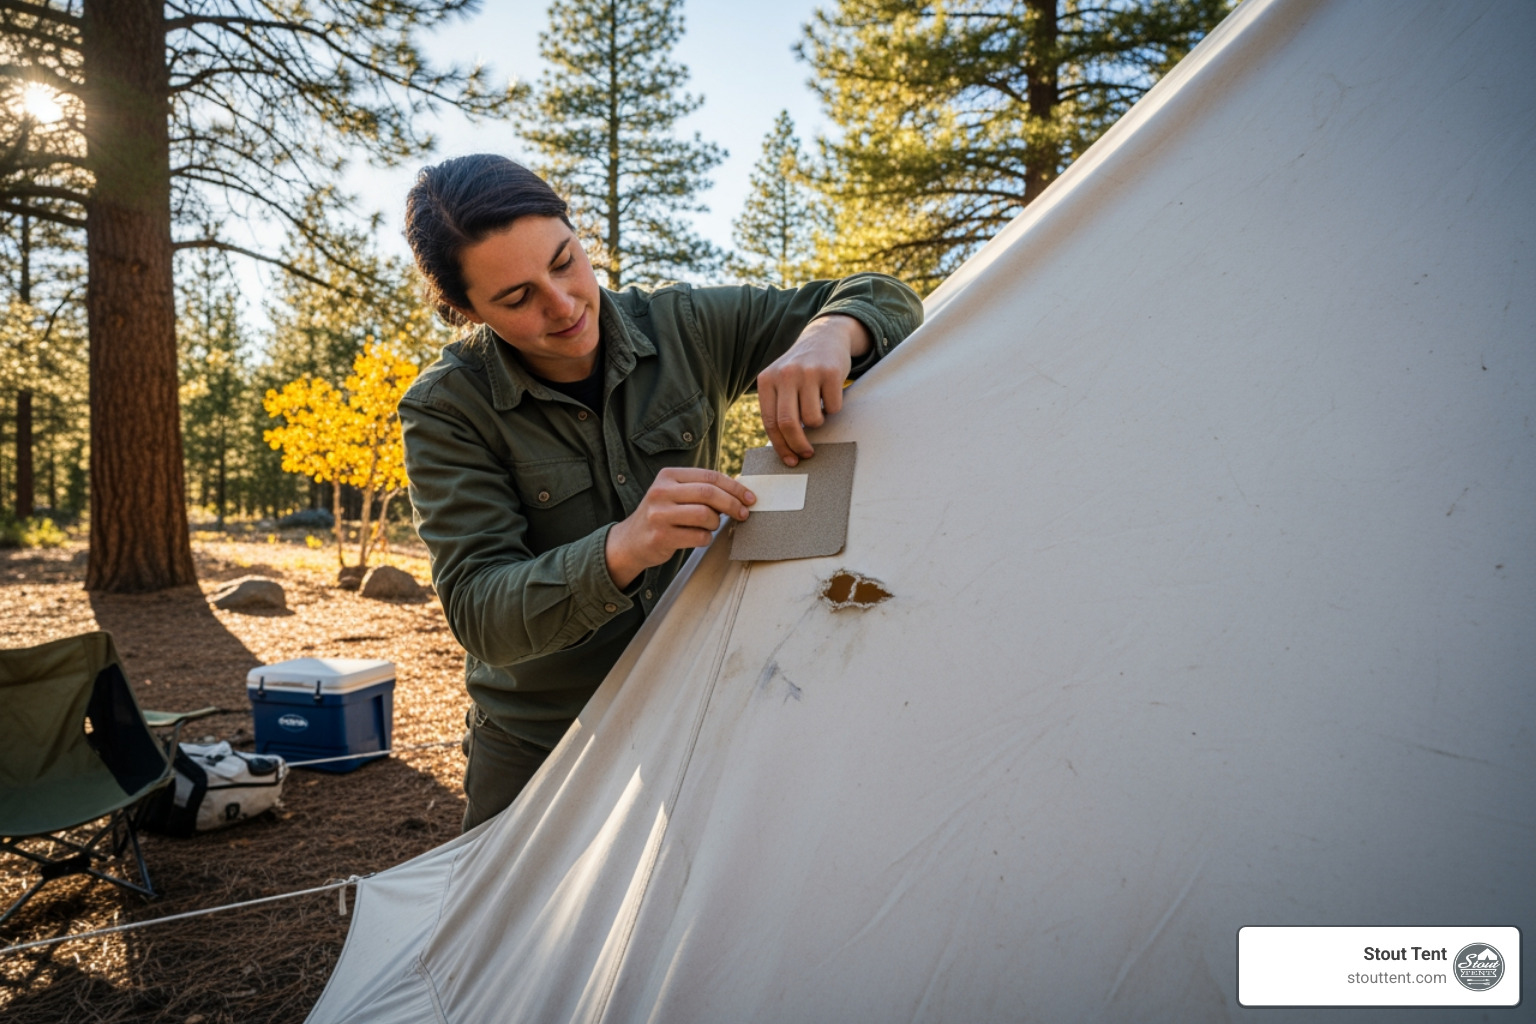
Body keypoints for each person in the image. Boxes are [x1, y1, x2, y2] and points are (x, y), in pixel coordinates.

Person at [399, 154, 923, 831]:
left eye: (564, 262)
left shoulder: (684, 327)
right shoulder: (447, 410)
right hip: (542, 742)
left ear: (575, 231)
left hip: (696, 708)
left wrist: (829, 333)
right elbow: (481, 614)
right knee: (517, 939)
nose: (563, 306)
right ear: (465, 310)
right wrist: (623, 548)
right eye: (517, 298)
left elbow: (886, 295)